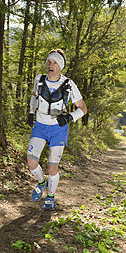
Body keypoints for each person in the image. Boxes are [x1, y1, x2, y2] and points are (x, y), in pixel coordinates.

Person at [27, 49, 87, 210]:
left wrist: (69, 117)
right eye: (49, 62)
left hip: (58, 129)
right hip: (40, 126)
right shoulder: (39, 80)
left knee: (52, 167)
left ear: (60, 66)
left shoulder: (68, 84)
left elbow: (83, 108)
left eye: (54, 63)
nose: (50, 65)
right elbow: (34, 96)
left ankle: (51, 197)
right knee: (32, 162)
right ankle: (41, 182)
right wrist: (31, 112)